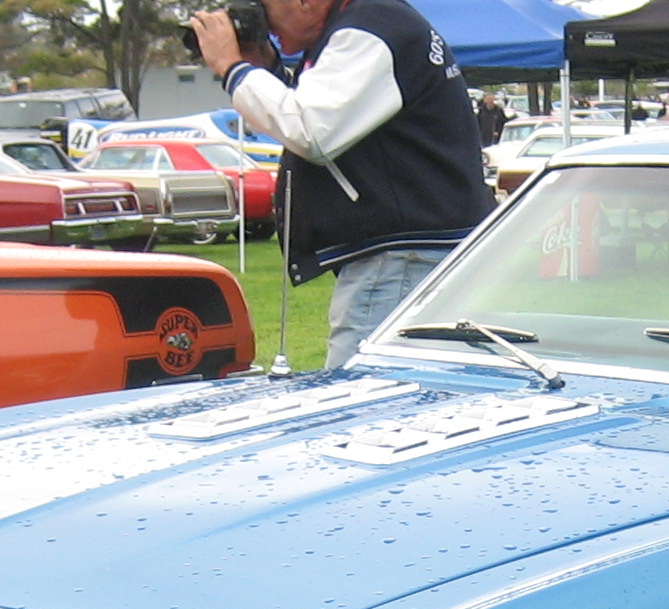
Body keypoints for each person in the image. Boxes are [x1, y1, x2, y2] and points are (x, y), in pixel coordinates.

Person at [190, 0, 494, 365]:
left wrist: (232, 67)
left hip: (400, 259)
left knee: (363, 408)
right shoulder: (377, 22)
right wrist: (265, 68)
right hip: (416, 251)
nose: (268, 27)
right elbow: (328, 116)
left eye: (266, 11)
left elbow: (310, 131)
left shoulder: (366, 31)